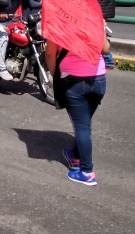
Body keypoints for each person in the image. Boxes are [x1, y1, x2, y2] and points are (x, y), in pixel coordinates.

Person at [45, 29, 111, 186]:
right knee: (84, 122)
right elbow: (105, 48)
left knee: (82, 126)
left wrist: (55, 75)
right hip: (99, 79)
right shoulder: (94, 17)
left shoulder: (58, 21)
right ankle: (75, 156)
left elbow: (49, 54)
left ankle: (86, 171)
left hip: (74, 80)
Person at [89, 0, 116, 69]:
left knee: (98, 38)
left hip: (97, 13)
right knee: (99, 36)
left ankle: (108, 61)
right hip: (105, 12)